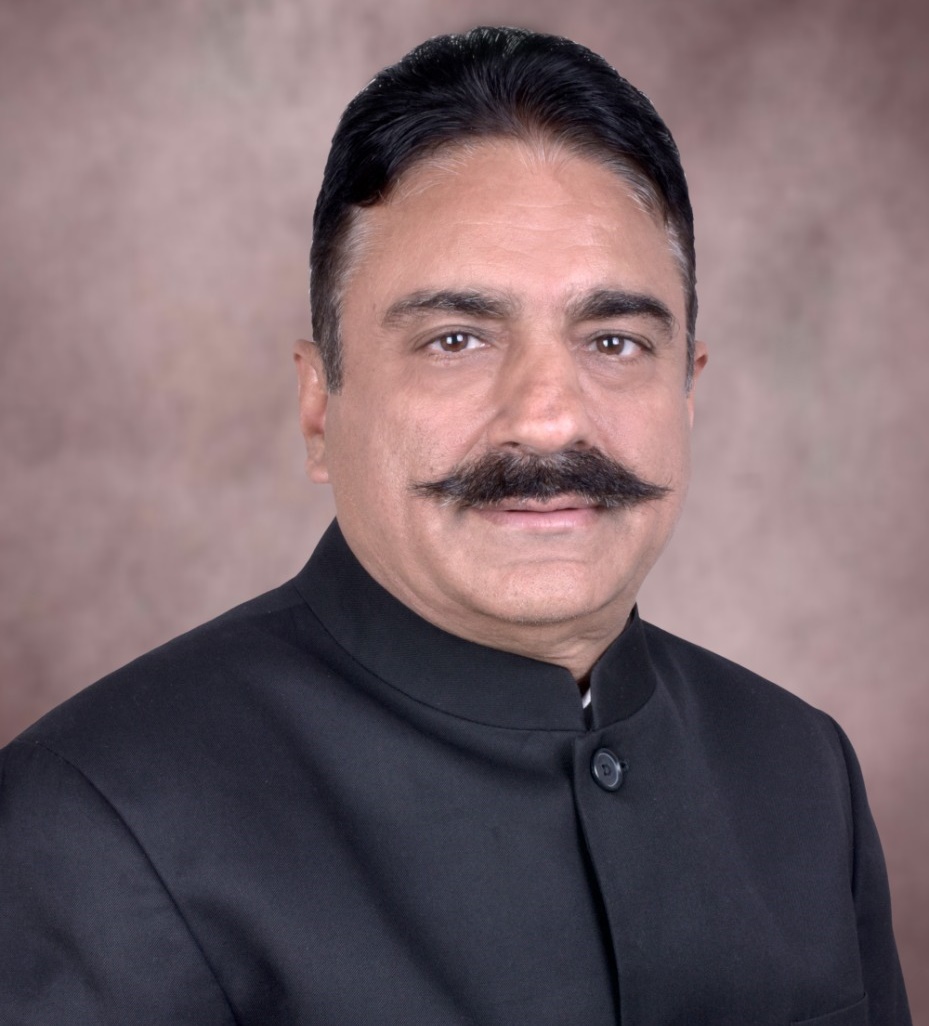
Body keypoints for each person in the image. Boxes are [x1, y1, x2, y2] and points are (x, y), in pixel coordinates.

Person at [0, 26, 910, 1025]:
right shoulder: (89, 824)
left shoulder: (800, 771)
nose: (548, 419)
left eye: (613, 341)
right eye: (456, 339)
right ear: (320, 406)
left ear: (687, 394)